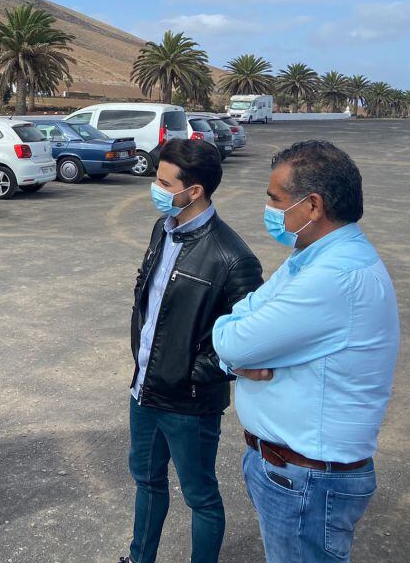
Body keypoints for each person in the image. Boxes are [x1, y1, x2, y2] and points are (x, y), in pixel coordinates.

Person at [213, 141, 400, 562]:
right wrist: (237, 352)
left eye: (276, 199)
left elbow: (231, 337)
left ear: (312, 205)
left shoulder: (335, 277)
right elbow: (244, 314)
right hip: (292, 472)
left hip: (307, 481)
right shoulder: (313, 257)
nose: (270, 209)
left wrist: (234, 349)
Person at [120, 138, 263, 563]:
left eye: (164, 182)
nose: (155, 188)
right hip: (144, 390)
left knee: (200, 497)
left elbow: (249, 341)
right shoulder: (162, 230)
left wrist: (194, 372)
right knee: (147, 482)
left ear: (194, 190)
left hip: (189, 401)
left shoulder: (233, 258)